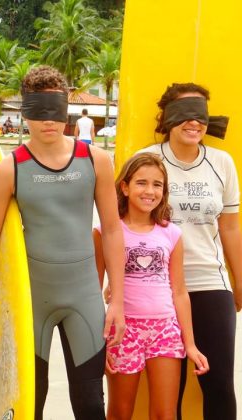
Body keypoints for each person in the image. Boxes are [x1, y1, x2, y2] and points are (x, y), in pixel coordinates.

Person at [0, 65, 126, 420]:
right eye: (38, 112)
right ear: (25, 113)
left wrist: (117, 299)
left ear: (66, 110)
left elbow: (113, 230)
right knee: (29, 407)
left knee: (90, 406)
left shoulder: (96, 161)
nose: (48, 121)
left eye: (55, 111)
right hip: (31, 302)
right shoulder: (10, 169)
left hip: (84, 299)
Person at [139, 83, 241, 420]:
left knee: (220, 384)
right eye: (185, 114)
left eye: (201, 115)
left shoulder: (221, 162)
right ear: (168, 118)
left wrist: (238, 283)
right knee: (171, 391)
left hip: (210, 283)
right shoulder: (148, 160)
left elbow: (230, 226)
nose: (194, 122)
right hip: (158, 289)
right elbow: (126, 227)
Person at [94, 152, 209, 419]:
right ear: (125, 186)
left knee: (164, 415)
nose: (150, 191)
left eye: (157, 185)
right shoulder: (105, 232)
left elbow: (179, 291)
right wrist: (97, 345)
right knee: (120, 413)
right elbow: (94, 288)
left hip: (165, 330)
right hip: (123, 331)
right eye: (141, 183)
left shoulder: (171, 233)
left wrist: (189, 343)